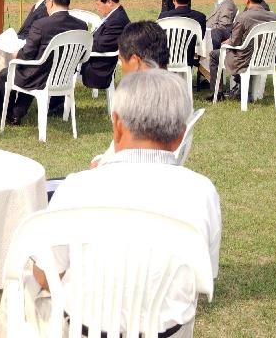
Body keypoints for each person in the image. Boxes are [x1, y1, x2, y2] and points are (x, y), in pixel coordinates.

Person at [43, 70, 222, 336]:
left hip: (84, 329)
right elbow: (203, 277)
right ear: (180, 135)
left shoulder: (77, 187)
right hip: (167, 331)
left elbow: (45, 273)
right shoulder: (202, 191)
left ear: (116, 125)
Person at [0, 0, 86, 125]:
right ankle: (17, 113)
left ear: (49, 2)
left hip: (39, 77)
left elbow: (27, 55)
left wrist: (16, 55)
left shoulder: (41, 25)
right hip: (65, 78)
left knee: (5, 74)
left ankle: (9, 116)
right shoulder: (81, 25)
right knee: (29, 71)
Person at [88, 21, 169, 168]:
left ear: (135, 61)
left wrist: (101, 163)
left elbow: (124, 151)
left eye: (120, 60)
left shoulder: (134, 101)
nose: (121, 67)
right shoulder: (177, 96)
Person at [212, 0, 276, 99]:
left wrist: (227, 42)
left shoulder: (243, 17)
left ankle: (218, 93)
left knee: (214, 55)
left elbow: (234, 42)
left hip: (244, 59)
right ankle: (240, 90)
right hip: (266, 59)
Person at [80, 0, 130, 90]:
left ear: (109, 2)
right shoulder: (114, 16)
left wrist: (79, 47)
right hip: (93, 59)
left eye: (98, 5)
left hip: (99, 67)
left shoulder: (116, 21)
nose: (97, 9)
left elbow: (101, 46)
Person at [158, 0, 207, 69]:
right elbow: (199, 41)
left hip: (165, 60)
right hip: (188, 60)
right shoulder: (200, 17)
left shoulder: (164, 16)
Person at [201, 0, 238, 85]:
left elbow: (224, 26)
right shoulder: (220, 3)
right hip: (210, 34)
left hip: (218, 37)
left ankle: (212, 80)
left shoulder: (228, 5)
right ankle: (207, 77)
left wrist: (207, 29)